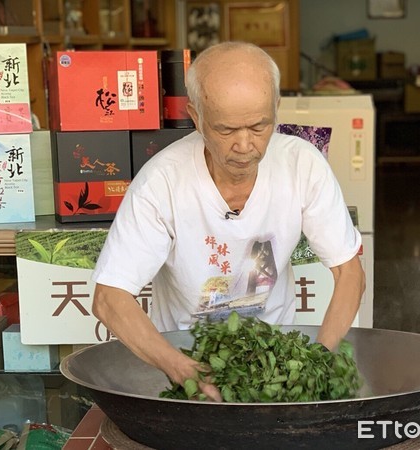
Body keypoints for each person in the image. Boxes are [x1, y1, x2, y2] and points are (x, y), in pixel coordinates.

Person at [91, 41, 365, 401]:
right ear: (196, 116)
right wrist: (184, 371)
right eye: (225, 130)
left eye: (258, 126)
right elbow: (109, 298)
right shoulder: (162, 182)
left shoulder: (302, 165)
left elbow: (350, 273)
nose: (244, 144)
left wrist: (318, 361)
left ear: (275, 108)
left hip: (276, 360)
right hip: (186, 356)